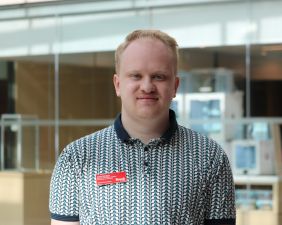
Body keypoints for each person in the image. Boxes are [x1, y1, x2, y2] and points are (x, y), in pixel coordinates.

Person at [49, 29, 236, 225]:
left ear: (175, 86)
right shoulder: (76, 158)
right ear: (118, 84)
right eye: (136, 76)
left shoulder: (210, 157)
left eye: (159, 76)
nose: (147, 87)